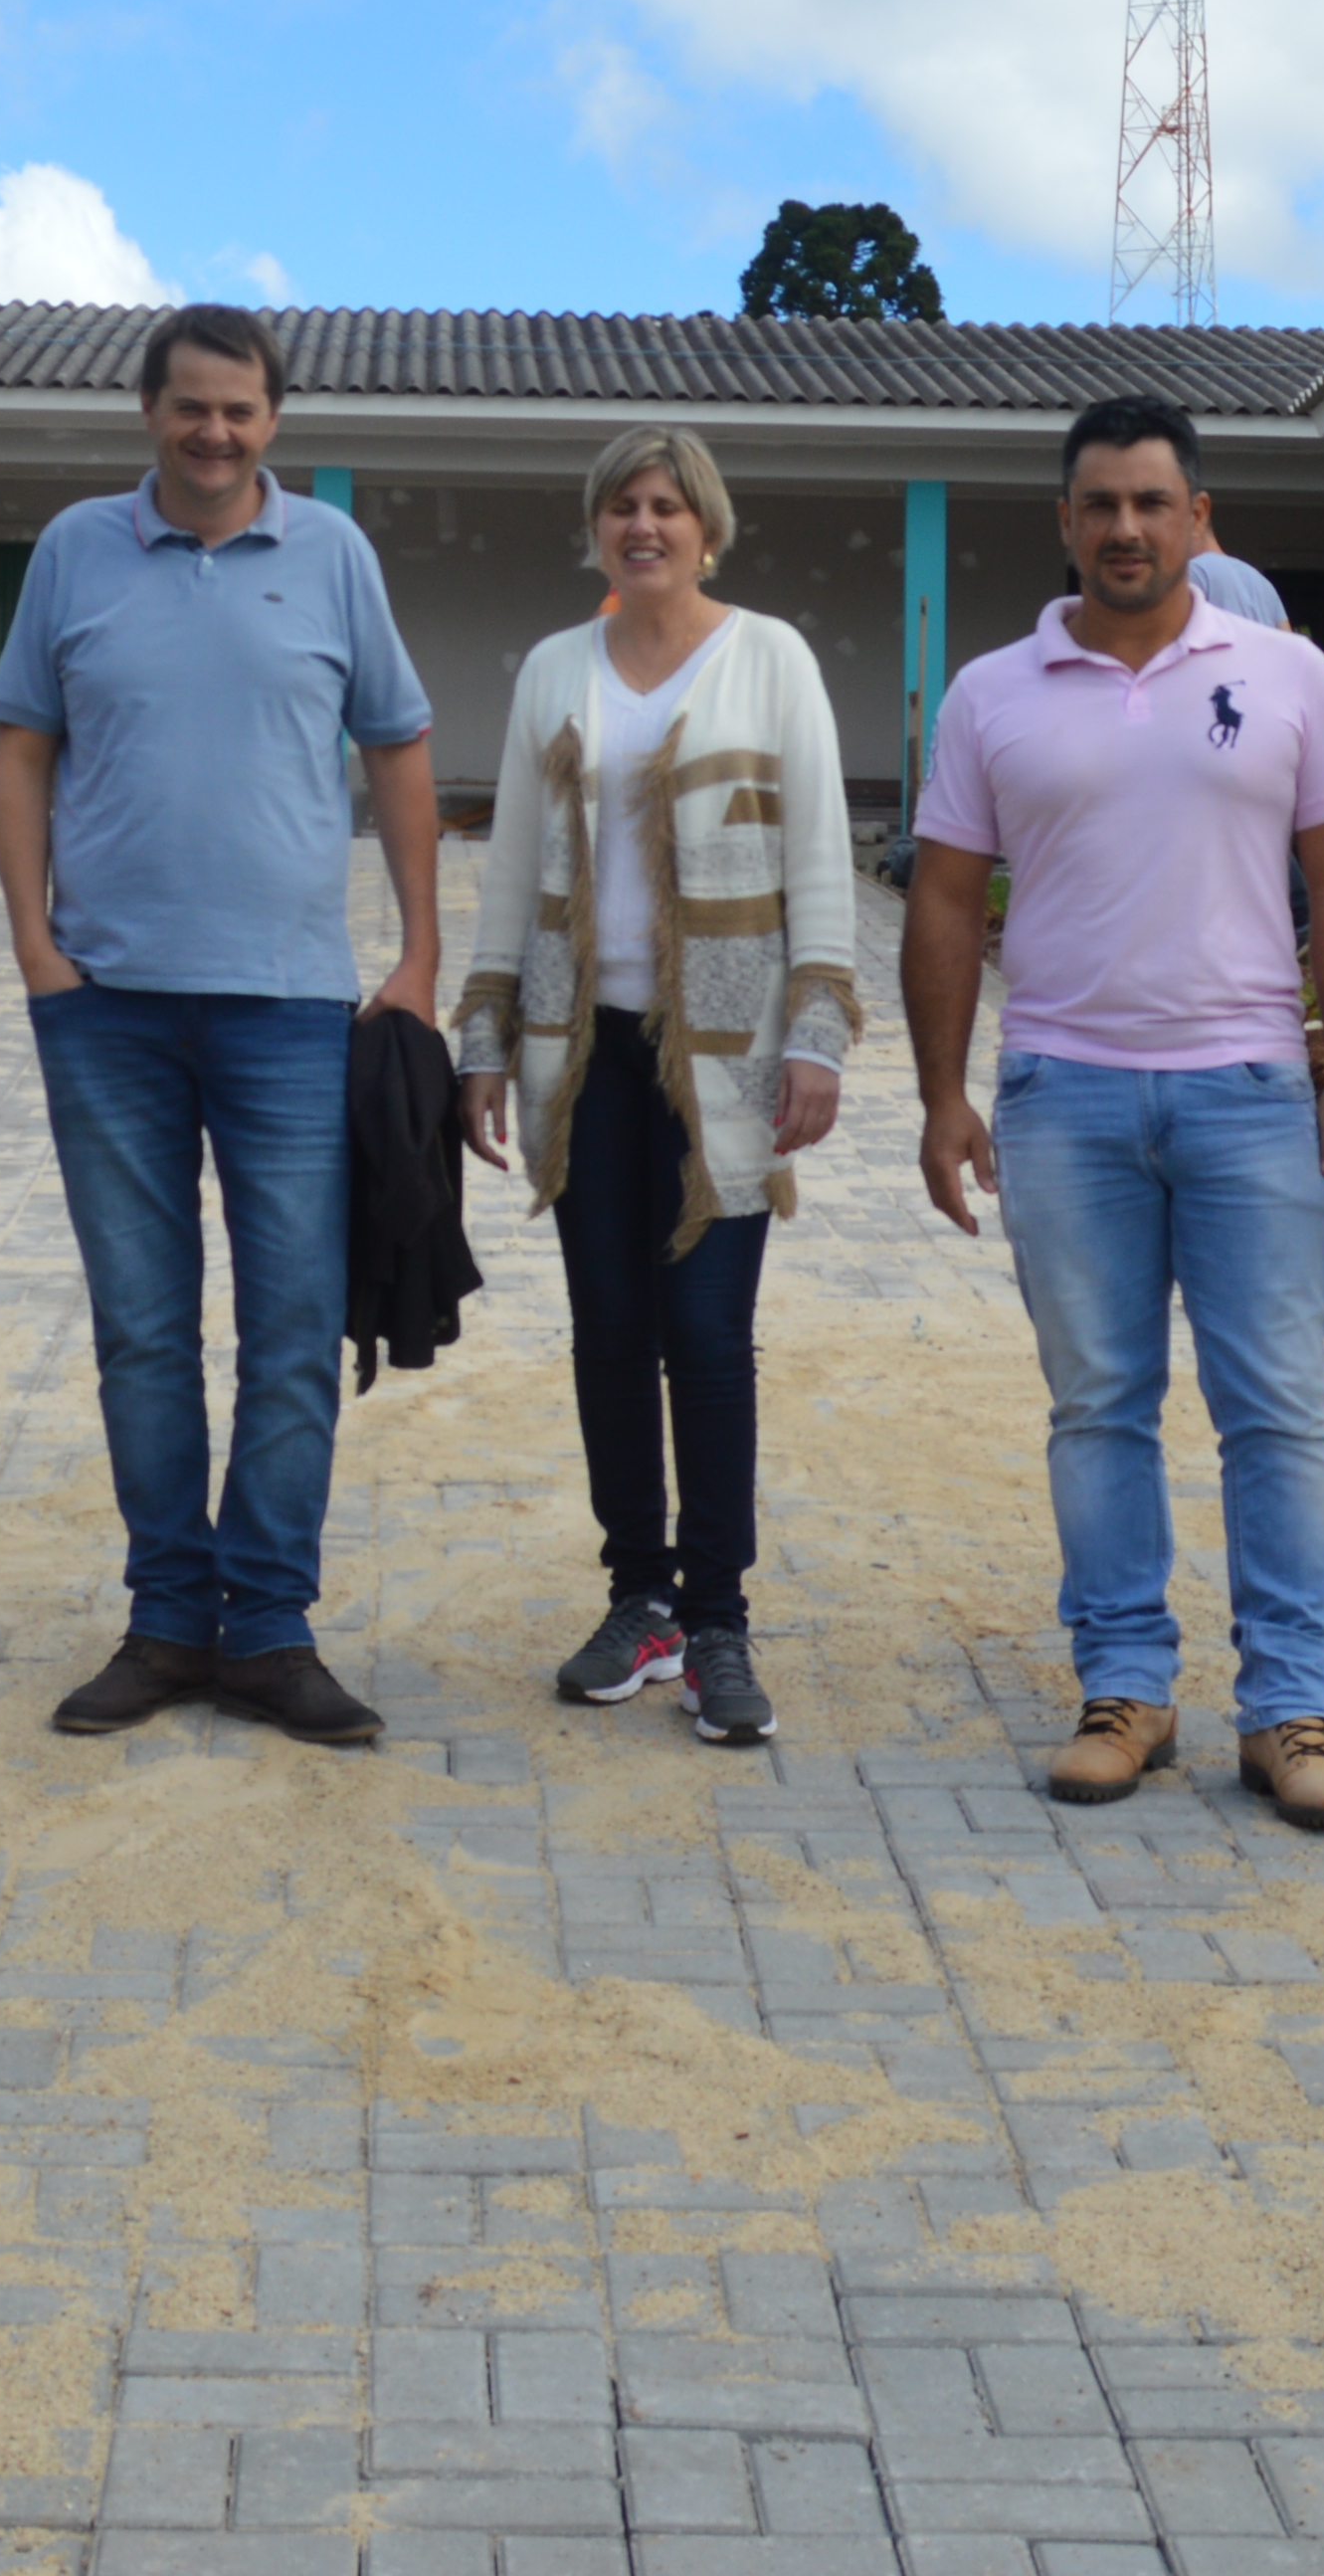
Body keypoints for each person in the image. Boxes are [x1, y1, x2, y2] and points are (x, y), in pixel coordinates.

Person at [903, 398, 1324, 1834]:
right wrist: (944, 1094)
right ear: (1064, 522)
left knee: (1277, 1413)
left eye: (1152, 503)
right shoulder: (993, 693)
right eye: (1099, 503)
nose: (1125, 527)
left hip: (1249, 1093)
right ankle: (1125, 1688)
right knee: (1098, 1405)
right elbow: (943, 896)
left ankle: (1290, 1709)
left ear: (1199, 517)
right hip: (1065, 1095)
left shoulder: (1292, 675)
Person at [0, 303, 443, 1750]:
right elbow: (19, 743)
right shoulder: (75, 550)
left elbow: (400, 745)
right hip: (107, 1007)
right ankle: (170, 1619)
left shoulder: (332, 558)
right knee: (141, 1332)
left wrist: (421, 951)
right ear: (150, 412)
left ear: (274, 419)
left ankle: (273, 1626)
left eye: (240, 410)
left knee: (296, 1330)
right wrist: (34, 947)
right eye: (191, 407)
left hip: (295, 1011)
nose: (215, 432)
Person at [452, 426, 860, 1750]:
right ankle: (640, 1599)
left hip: (725, 1059)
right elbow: (514, 864)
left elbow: (820, 859)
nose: (645, 526)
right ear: (598, 529)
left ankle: (723, 1620)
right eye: (623, 506)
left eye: (668, 507)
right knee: (611, 1333)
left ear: (708, 527)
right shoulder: (554, 671)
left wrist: (817, 1036)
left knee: (709, 1336)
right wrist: (486, 1039)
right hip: (587, 1054)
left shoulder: (772, 659)